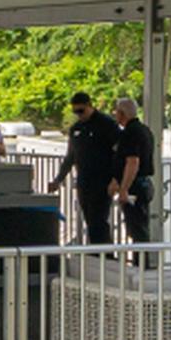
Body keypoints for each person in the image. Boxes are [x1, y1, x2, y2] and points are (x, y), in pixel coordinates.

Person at [48, 92, 120, 245]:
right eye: (75, 112)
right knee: (89, 218)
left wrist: (116, 178)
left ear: (90, 105)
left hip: (102, 179)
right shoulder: (76, 129)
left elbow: (119, 152)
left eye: (81, 111)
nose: (79, 115)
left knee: (98, 220)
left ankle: (104, 253)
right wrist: (58, 179)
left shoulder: (106, 124)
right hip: (84, 180)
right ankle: (96, 251)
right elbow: (70, 157)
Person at [113, 98, 156, 245]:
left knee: (137, 228)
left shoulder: (130, 133)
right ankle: (142, 262)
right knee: (141, 225)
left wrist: (124, 188)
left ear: (122, 113)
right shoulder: (145, 130)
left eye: (117, 112)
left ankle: (141, 264)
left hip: (135, 186)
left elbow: (132, 162)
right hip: (145, 183)